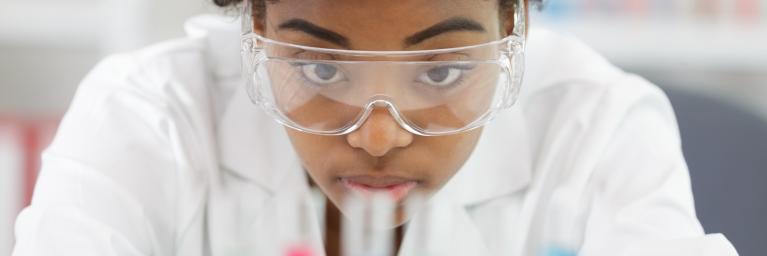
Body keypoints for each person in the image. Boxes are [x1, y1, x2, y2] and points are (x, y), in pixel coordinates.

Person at [12, 0, 738, 255]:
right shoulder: (148, 113)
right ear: (257, 27)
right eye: (322, 70)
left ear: (512, 22)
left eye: (443, 71)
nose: (381, 137)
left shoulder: (596, 123)